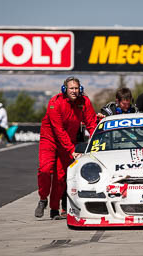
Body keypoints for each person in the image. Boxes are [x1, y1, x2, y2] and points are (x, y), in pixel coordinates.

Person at [35, 76, 97, 220]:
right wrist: (72, 150)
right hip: (49, 139)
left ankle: (54, 209)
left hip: (68, 141)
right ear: (64, 89)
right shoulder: (54, 103)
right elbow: (58, 130)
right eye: (71, 88)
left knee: (61, 177)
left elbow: (91, 124)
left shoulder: (84, 102)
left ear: (80, 89)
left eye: (76, 88)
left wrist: (96, 143)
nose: (74, 91)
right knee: (45, 169)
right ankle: (43, 199)